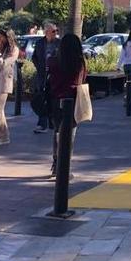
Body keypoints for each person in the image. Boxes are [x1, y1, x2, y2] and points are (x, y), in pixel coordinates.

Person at [47, 33, 88, 177]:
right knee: (70, 135)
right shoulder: (79, 63)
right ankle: (64, 168)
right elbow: (81, 79)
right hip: (72, 102)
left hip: (56, 101)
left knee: (57, 132)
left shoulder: (53, 61)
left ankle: (56, 164)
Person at [31, 22, 59, 133]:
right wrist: (39, 67)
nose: (55, 33)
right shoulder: (39, 43)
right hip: (42, 76)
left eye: (56, 31)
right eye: (53, 31)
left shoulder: (59, 43)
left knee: (52, 99)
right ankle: (42, 124)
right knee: (41, 99)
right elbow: (34, 57)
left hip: (54, 76)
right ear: (46, 32)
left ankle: (52, 122)